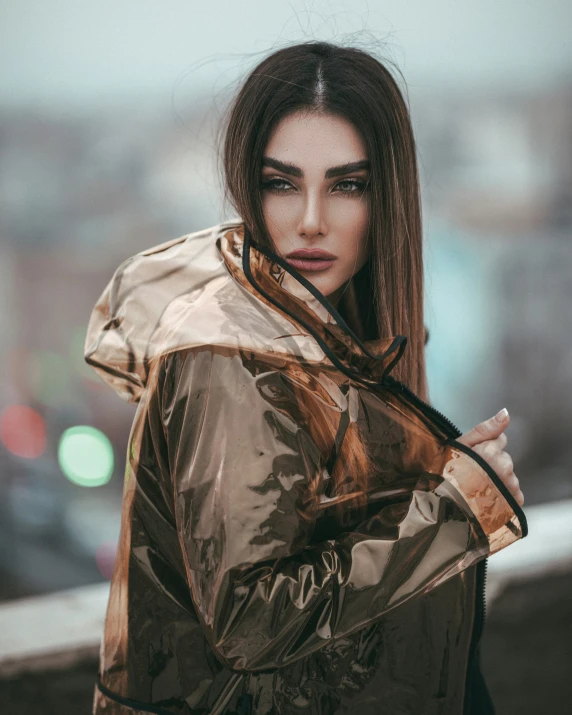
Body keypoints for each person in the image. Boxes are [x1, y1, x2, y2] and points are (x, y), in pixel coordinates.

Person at [84, 41, 527, 715]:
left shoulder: (324, 331)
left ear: (388, 198)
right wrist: (454, 513)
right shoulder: (231, 356)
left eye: (347, 184)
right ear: (245, 183)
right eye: (281, 182)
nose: (311, 220)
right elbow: (248, 618)